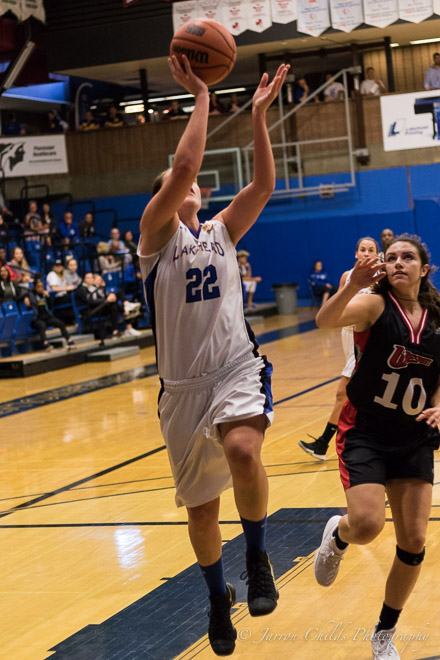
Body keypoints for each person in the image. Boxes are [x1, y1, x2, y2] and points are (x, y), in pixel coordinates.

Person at [138, 54, 289, 656]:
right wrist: (201, 95)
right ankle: (215, 597)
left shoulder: (223, 230)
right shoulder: (156, 237)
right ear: (166, 196)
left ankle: (257, 558)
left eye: (196, 184)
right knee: (202, 515)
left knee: (245, 450)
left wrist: (257, 116)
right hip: (181, 391)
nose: (192, 184)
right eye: (180, 184)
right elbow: (184, 165)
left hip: (234, 369)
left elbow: (264, 186)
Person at [313, 234, 440, 660]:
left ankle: (384, 632)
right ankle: (339, 534)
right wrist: (353, 284)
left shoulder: (438, 319)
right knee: (367, 525)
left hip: (413, 436)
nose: (398, 262)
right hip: (365, 431)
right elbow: (325, 320)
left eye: (408, 257)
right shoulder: (374, 305)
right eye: (392, 257)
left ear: (424, 269)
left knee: (414, 542)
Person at [299, 237, 379, 460]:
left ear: (377, 254)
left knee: (342, 392)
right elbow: (337, 307)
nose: (366, 253)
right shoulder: (347, 276)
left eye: (371, 250)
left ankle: (323, 443)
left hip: (366, 339)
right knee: (356, 393)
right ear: (356, 253)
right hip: (347, 336)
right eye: (362, 249)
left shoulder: (380, 278)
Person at [27, 278, 75, 351]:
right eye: (38, 287)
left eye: (42, 287)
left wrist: (48, 298)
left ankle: (69, 341)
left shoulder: (44, 295)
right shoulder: (31, 295)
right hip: (36, 319)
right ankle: (46, 344)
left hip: (47, 317)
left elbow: (50, 307)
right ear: (34, 287)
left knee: (60, 323)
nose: (40, 288)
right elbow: (28, 298)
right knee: (42, 325)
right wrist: (26, 298)